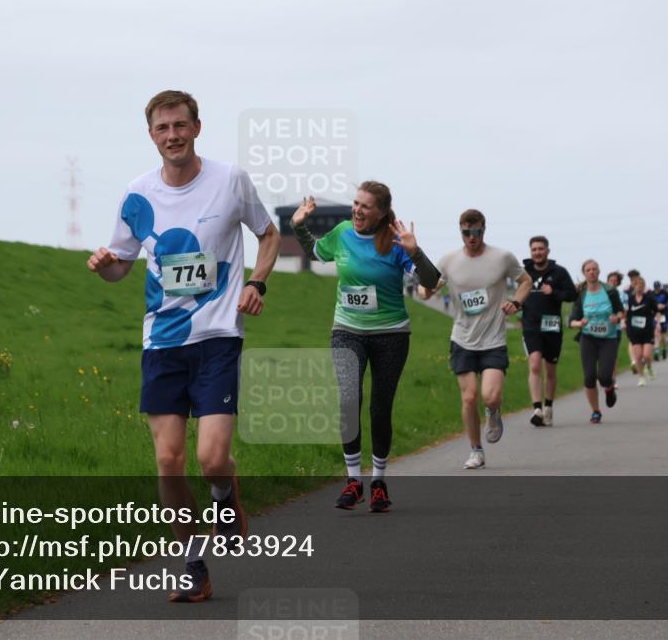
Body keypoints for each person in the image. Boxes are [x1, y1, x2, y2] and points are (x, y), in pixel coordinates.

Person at [88, 90, 280, 603]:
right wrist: (105, 264)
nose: (171, 135)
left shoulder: (230, 180)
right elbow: (121, 266)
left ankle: (224, 493)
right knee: (168, 461)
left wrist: (257, 283)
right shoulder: (138, 193)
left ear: (197, 127)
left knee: (213, 457)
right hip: (162, 343)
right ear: (151, 135)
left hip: (217, 337)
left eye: (180, 125)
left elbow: (269, 233)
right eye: (161, 128)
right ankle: (193, 566)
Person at [291, 188, 440, 512]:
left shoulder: (396, 241)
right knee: (348, 401)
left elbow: (431, 280)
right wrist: (299, 225)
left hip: (391, 335)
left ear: (382, 212)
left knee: (379, 408)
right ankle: (353, 481)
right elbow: (316, 253)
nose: (357, 210)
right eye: (355, 204)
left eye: (365, 207)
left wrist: (416, 252)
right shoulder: (343, 232)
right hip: (346, 331)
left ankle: (379, 483)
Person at [419, 209, 531, 469]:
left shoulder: (502, 258)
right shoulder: (449, 261)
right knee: (469, 398)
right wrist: (422, 286)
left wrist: (516, 301)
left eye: (476, 232)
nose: (471, 237)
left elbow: (526, 281)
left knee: (490, 396)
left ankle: (493, 413)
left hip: (493, 339)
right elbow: (428, 290)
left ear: (484, 230)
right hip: (462, 339)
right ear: (460, 231)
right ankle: (476, 450)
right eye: (466, 232)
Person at [520, 236, 576, 427]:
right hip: (530, 325)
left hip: (552, 326)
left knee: (550, 369)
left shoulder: (559, 272)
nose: (537, 252)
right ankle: (536, 408)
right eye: (534, 249)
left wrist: (554, 293)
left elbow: (572, 295)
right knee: (534, 364)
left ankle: (548, 407)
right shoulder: (524, 272)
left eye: (541, 249)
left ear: (547, 251)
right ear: (530, 251)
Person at [569, 260, 625, 423]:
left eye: (594, 269)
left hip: (608, 338)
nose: (592, 272)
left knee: (604, 376)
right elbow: (572, 320)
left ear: (599, 271)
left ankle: (609, 388)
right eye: (588, 270)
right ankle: (595, 411)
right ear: (584, 273)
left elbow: (621, 312)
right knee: (589, 377)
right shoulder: (581, 293)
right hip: (588, 338)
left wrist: (617, 318)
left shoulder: (610, 291)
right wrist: (579, 323)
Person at [625, 276, 657, 385]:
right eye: (638, 286)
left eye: (642, 286)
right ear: (634, 286)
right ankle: (641, 377)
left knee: (647, 355)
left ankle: (649, 367)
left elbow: (656, 311)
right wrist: (624, 322)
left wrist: (657, 324)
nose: (640, 288)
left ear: (644, 287)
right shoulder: (630, 300)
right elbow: (626, 314)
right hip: (634, 331)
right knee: (638, 356)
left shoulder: (649, 299)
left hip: (647, 330)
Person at [651, 281, 668, 361]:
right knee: (656, 332)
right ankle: (657, 351)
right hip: (654, 315)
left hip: (664, 315)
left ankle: (664, 348)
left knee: (663, 333)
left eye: (658, 288)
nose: (657, 290)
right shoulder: (651, 294)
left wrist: (665, 306)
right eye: (655, 288)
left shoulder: (665, 293)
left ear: (660, 287)